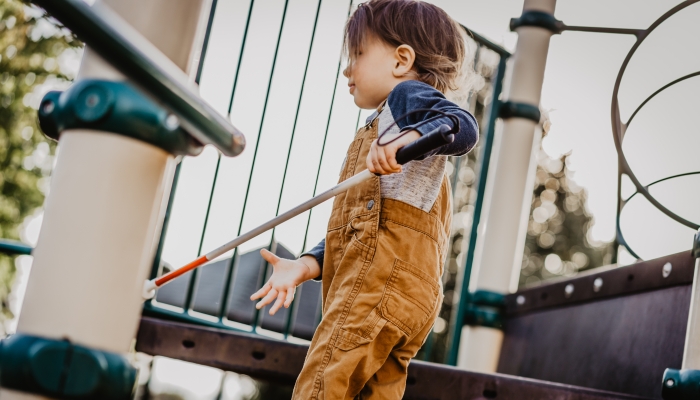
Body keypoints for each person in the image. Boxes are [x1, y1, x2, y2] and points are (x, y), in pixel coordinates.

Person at [250, 1, 478, 398]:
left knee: (324, 383)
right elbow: (362, 224)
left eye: (357, 54)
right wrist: (305, 265)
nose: (347, 68)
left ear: (401, 59)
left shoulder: (409, 99)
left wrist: (412, 136)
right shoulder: (386, 121)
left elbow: (463, 127)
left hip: (378, 285)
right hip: (406, 296)